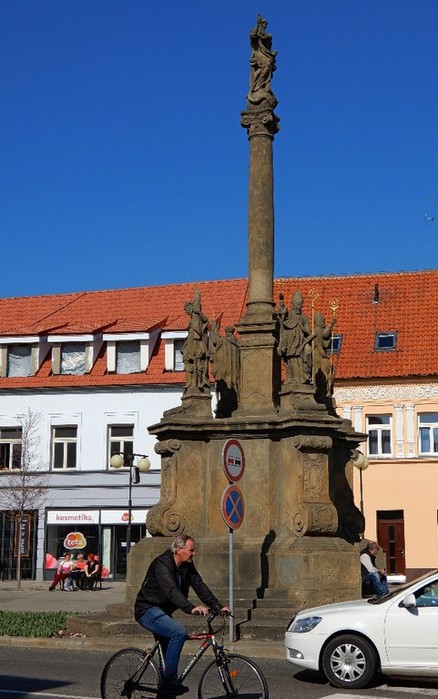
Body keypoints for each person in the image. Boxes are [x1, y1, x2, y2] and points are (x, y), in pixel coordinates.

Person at [134, 534, 230, 697]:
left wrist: (218, 607)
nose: (194, 553)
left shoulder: (187, 566)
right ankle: (170, 682)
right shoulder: (162, 564)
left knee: (169, 655)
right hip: (147, 609)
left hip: (163, 612)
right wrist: (190, 608)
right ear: (179, 550)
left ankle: (166, 688)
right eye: (191, 550)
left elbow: (200, 587)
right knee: (178, 632)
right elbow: (171, 591)